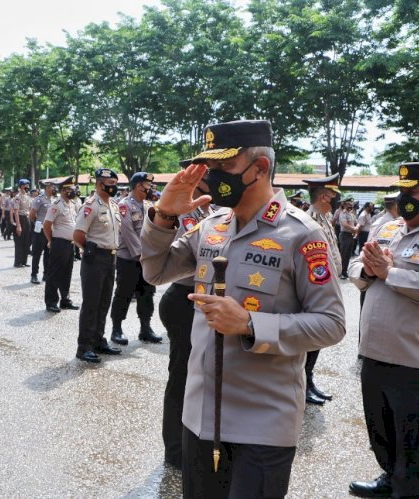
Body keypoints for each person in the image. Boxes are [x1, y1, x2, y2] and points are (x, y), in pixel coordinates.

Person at [140, 120, 345, 498]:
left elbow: (331, 324)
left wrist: (251, 324)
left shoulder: (301, 234)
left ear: (261, 168)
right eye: (211, 169)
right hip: (200, 416)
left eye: (224, 168)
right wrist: (164, 217)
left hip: (262, 423)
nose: (214, 178)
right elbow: (155, 271)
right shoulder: (212, 226)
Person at [348, 162, 419, 498]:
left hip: (416, 359)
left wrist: (389, 273)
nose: (404, 199)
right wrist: (368, 271)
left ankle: (411, 490)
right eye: (402, 192)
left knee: (412, 437)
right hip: (374, 352)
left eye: (413, 193)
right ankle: (390, 477)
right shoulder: (386, 229)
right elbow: (356, 265)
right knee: (379, 428)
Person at [159, 158, 217, 469]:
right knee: (181, 377)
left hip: (199, 298)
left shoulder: (209, 211)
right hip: (183, 298)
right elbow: (179, 254)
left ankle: (193, 440)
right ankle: (175, 450)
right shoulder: (186, 210)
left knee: (197, 376)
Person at [301, 173, 343, 406]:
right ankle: (304, 382)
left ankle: (309, 379)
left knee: (317, 342)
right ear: (325, 196)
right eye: (333, 196)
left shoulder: (324, 218)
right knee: (310, 340)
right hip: (314, 290)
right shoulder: (309, 220)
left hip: (327, 286)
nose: (335, 199)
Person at [73, 168, 123, 363]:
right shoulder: (90, 205)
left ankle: (98, 340)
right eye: (111, 184)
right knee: (91, 303)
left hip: (111, 257)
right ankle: (84, 346)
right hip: (95, 258)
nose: (114, 187)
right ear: (100, 184)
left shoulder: (113, 205)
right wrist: (89, 250)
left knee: (104, 302)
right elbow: (77, 235)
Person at [110, 171, 162, 345]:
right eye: (147, 185)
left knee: (147, 293)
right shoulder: (124, 205)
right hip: (129, 259)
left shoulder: (148, 205)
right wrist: (140, 254)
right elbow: (128, 231)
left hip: (146, 259)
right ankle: (116, 328)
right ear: (139, 186)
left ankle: (145, 328)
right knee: (123, 293)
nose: (150, 188)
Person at [43, 176, 80, 312]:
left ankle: (65, 299)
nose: (73, 191)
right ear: (64, 190)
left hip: (70, 244)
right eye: (70, 189)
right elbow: (46, 225)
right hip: (59, 243)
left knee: (67, 273)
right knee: (54, 273)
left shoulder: (71, 204)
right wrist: (51, 240)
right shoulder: (56, 205)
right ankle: (51, 302)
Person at [30, 180, 56, 284]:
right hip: (40, 230)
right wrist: (37, 224)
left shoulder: (54, 200)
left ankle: (46, 274)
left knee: (48, 254)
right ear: (47, 188)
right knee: (37, 253)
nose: (54, 189)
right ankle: (34, 275)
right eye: (52, 187)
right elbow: (31, 214)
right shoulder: (39, 199)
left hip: (50, 230)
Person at [12, 179, 32, 267]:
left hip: (27, 219)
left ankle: (24, 261)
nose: (27, 187)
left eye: (28, 185)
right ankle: (17, 262)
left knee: (26, 241)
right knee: (19, 241)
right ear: (21, 186)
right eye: (25, 185)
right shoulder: (17, 197)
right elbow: (16, 212)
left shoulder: (28, 197)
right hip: (20, 218)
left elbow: (30, 209)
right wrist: (18, 226)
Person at [338, 198, 358, 278]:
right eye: (349, 204)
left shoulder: (351, 214)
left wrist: (356, 228)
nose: (351, 205)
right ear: (345, 204)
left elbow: (357, 223)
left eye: (351, 204)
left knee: (348, 255)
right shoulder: (343, 213)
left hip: (350, 235)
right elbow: (345, 224)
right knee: (343, 254)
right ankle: (340, 271)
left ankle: (345, 271)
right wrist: (354, 229)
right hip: (344, 235)